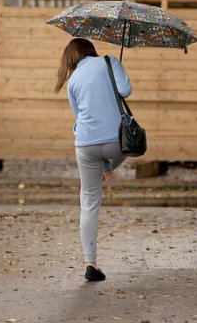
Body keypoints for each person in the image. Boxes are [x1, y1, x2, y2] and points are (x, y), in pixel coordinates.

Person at [54, 38, 132, 282]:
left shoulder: (73, 80)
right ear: (91, 49)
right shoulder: (109, 61)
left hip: (85, 144)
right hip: (115, 142)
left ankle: (90, 262)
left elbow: (78, 117)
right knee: (128, 147)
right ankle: (107, 167)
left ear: (72, 56)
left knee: (88, 202)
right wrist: (118, 69)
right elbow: (126, 91)